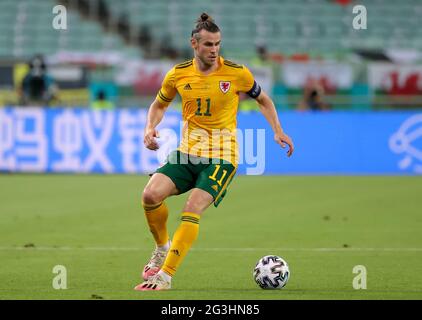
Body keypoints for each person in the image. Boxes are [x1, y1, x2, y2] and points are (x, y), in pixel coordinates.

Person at [134, 13, 294, 291]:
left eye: (218, 44)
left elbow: (264, 100)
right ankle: (162, 248)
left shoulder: (236, 73)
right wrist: (149, 128)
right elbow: (159, 105)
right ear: (194, 44)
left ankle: (165, 276)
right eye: (208, 44)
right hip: (188, 153)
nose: (214, 50)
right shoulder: (178, 73)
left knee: (192, 207)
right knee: (149, 195)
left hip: (222, 156)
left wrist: (277, 130)